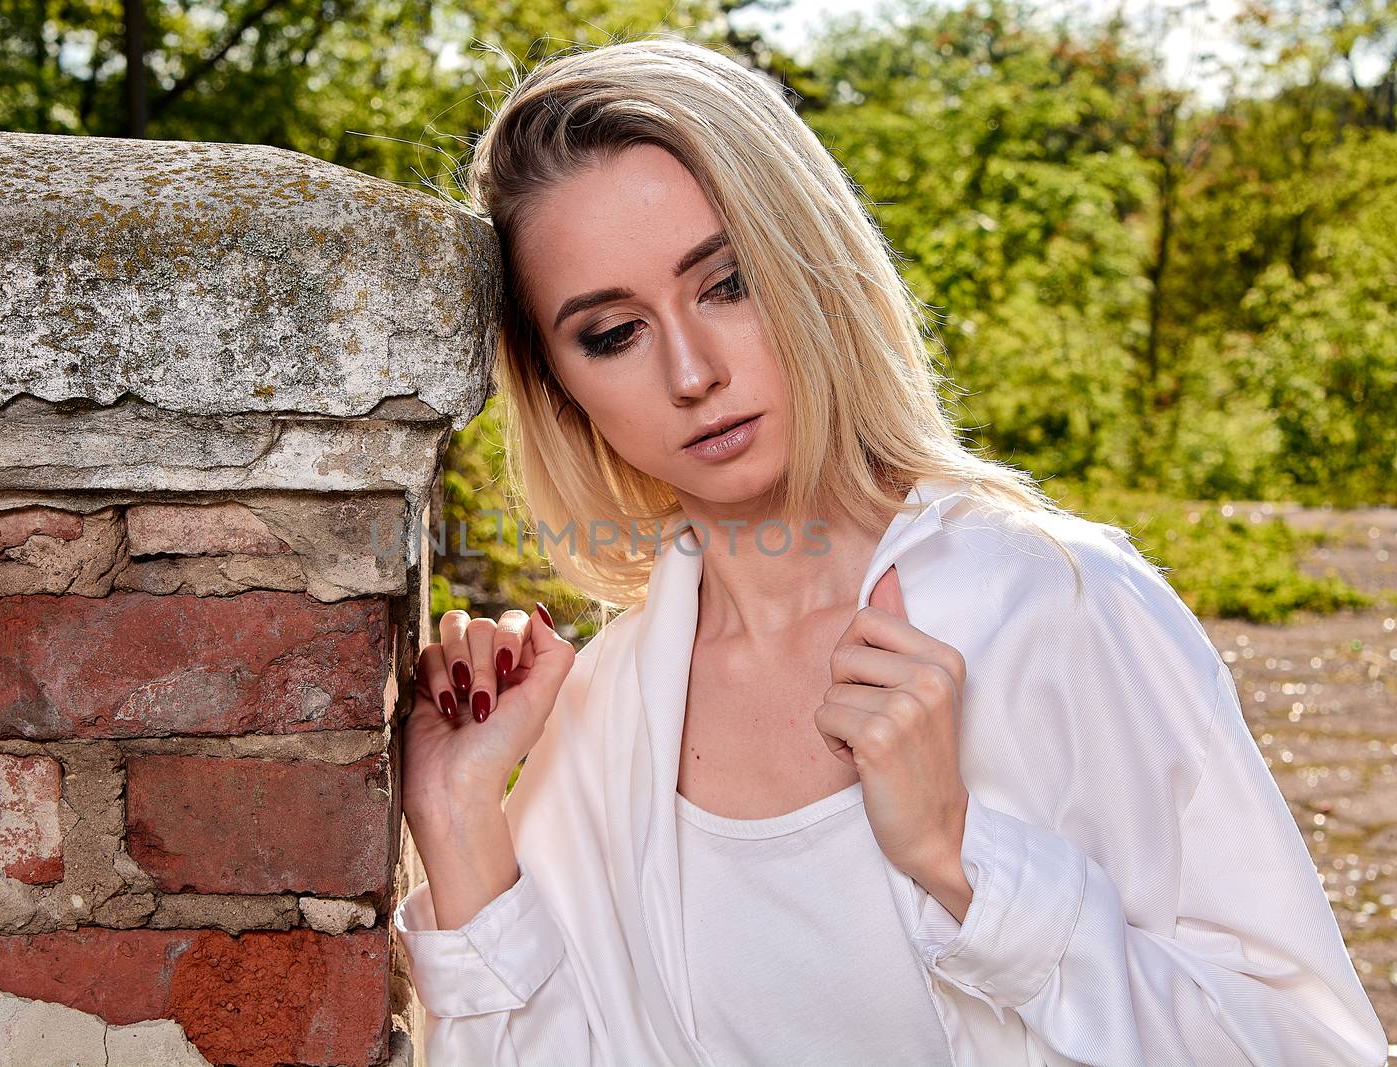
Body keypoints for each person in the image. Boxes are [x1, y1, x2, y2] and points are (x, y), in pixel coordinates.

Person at [391, 33, 1388, 1067]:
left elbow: (1308, 1046)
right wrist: (459, 821)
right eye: (612, 333)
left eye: (728, 283)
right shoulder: (602, 713)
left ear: (809, 258)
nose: (691, 371)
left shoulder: (1060, 604)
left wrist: (967, 866)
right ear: (558, 384)